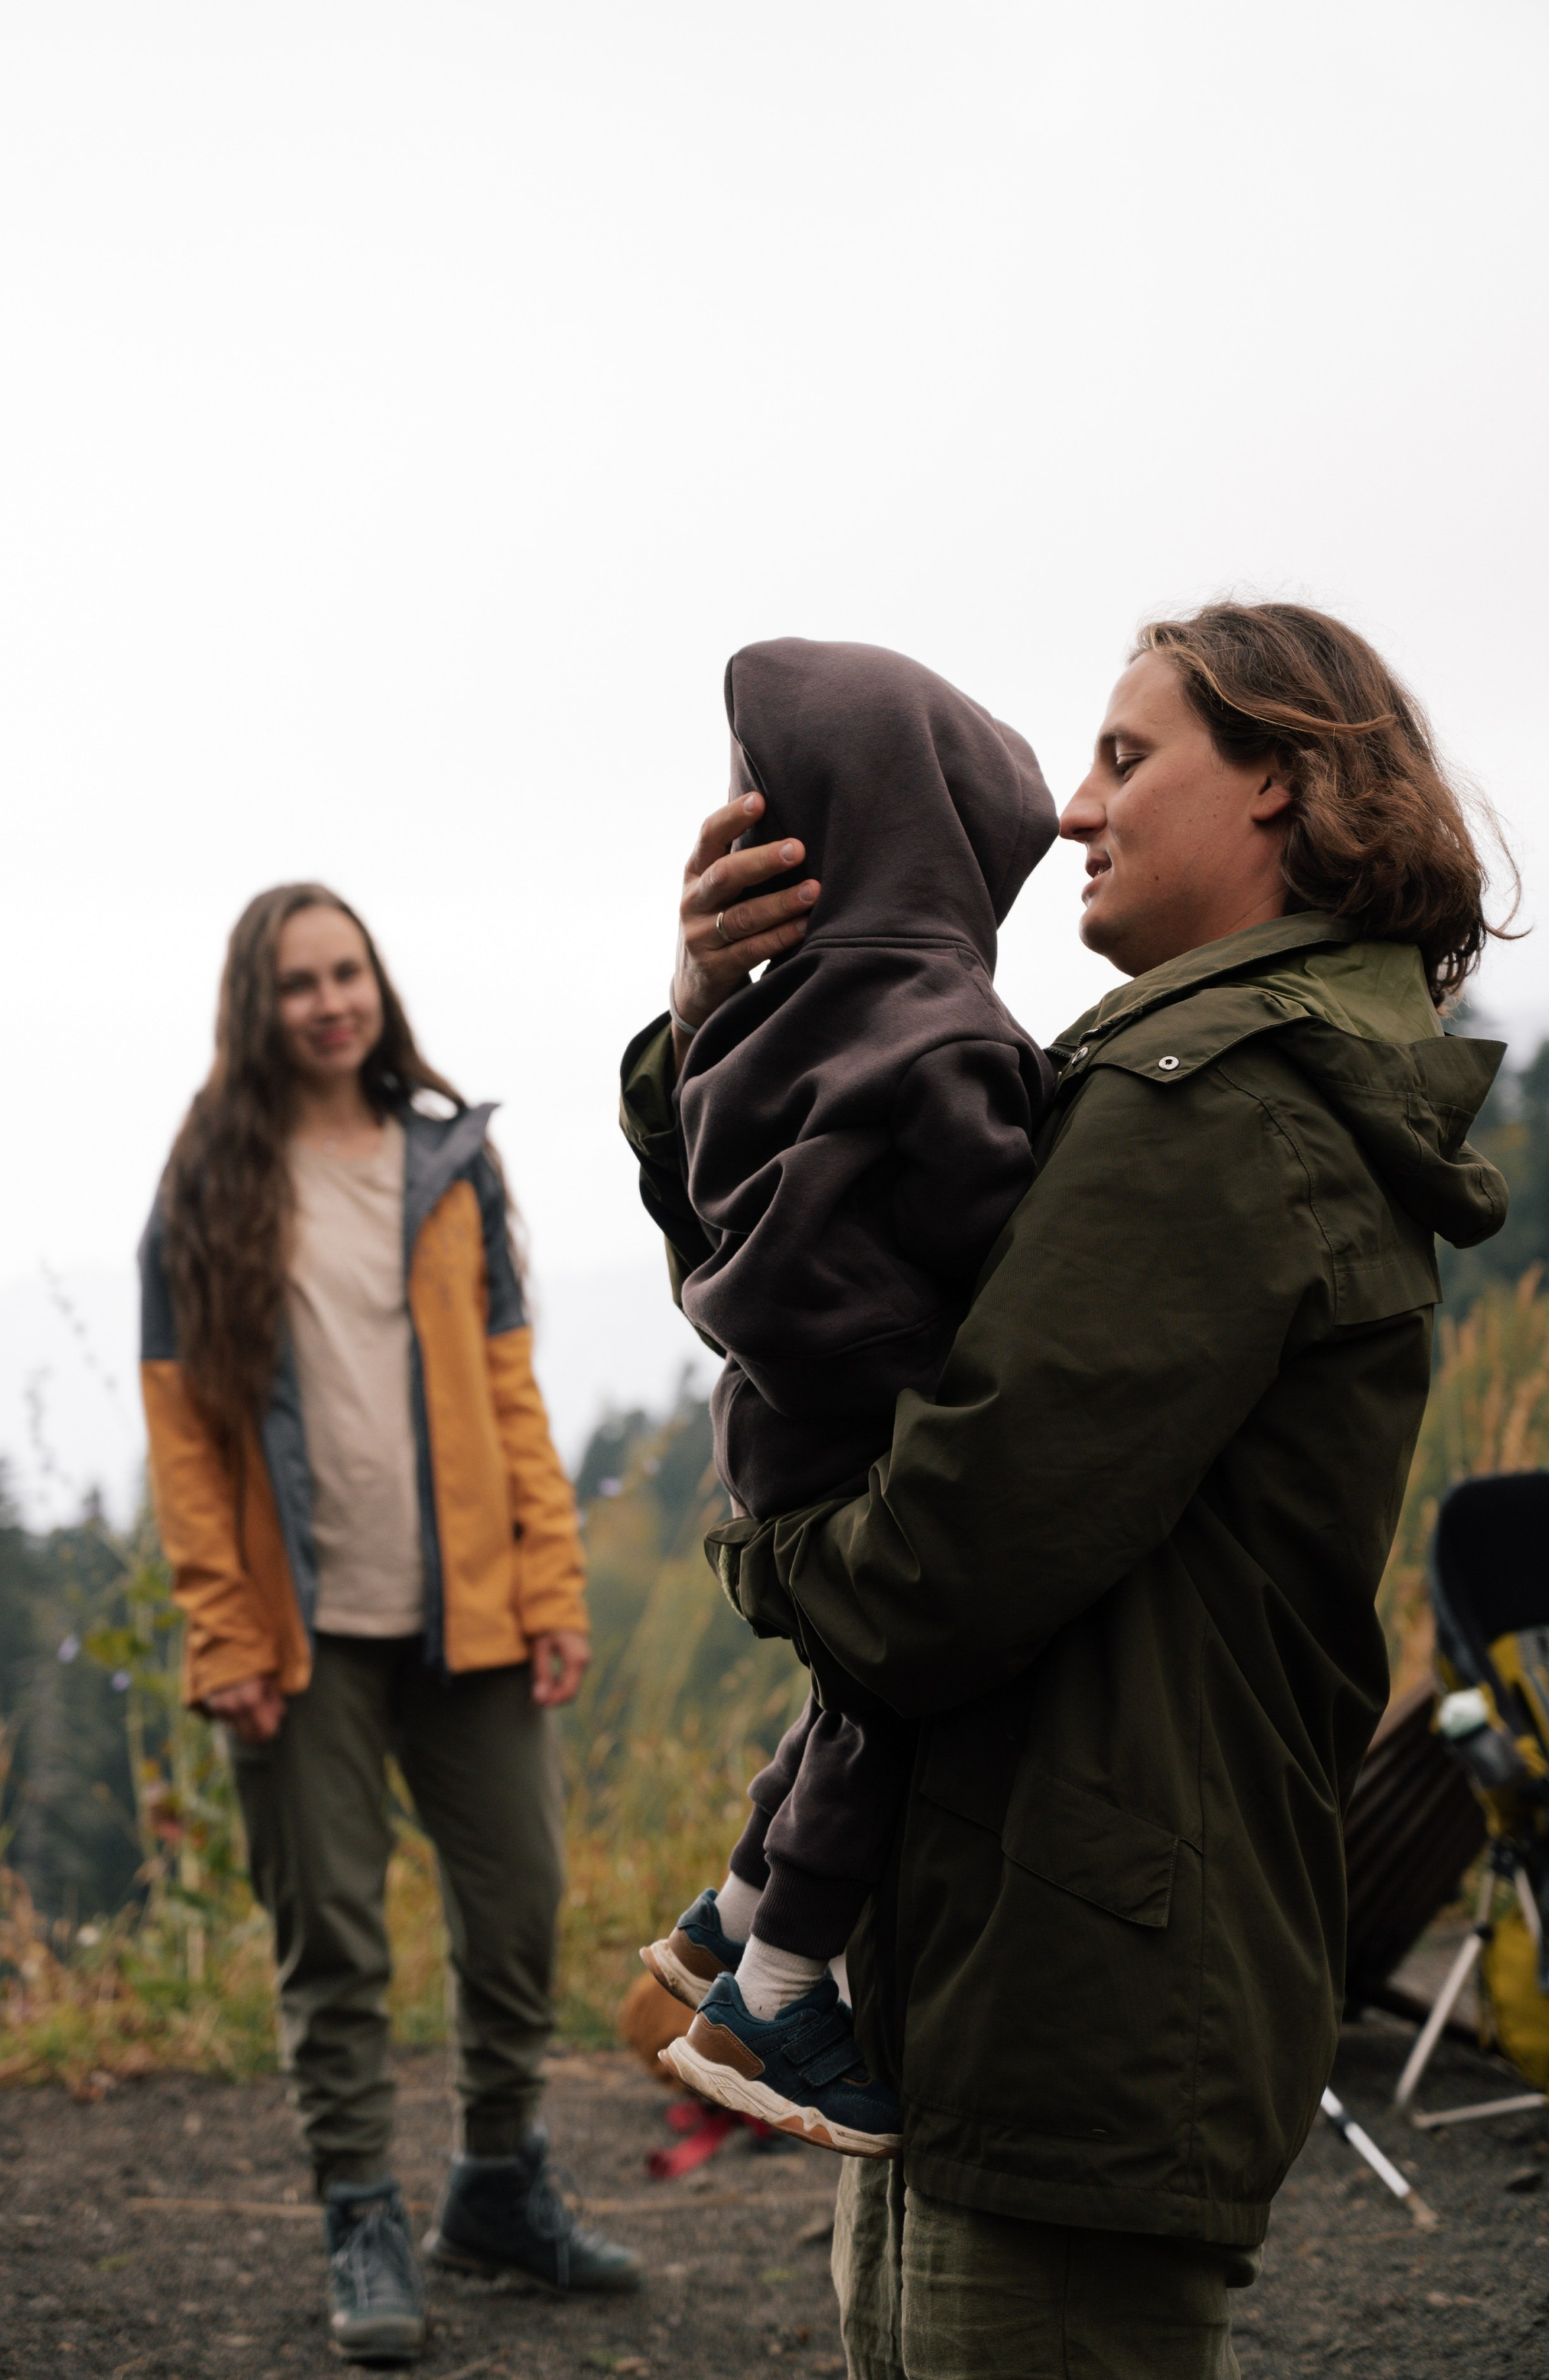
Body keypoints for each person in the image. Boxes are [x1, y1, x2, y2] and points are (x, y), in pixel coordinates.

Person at [620, 604, 1510, 2378]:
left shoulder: (1223, 1108)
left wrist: (768, 1544)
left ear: (1283, 783)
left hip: (1081, 1959)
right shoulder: (1167, 1074)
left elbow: (935, 1561)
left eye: (1126, 757)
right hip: (1021, 1929)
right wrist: (711, 1021)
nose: (1075, 810)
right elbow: (845, 1279)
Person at [140, 882, 640, 2369]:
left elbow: (509, 1389)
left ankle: (495, 2185)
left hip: (468, 1615)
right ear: (258, 1004)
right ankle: (361, 2209)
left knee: (521, 1909)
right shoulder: (207, 1185)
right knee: (334, 1942)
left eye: (347, 970)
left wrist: (549, 1584)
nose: (329, 1000)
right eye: (297, 981)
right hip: (300, 1632)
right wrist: (220, 1633)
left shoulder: (449, 1167)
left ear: (378, 985)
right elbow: (180, 1436)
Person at [629, 638, 1056, 2159]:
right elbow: (1000, 1235)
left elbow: (706, 1168)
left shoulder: (760, 1013)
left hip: (775, 1418)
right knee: (885, 1698)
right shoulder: (945, 1031)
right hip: (878, 1422)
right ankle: (778, 1990)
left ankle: (726, 1911)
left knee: (838, 1690)